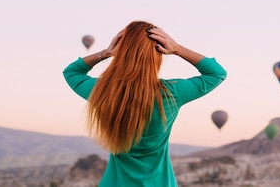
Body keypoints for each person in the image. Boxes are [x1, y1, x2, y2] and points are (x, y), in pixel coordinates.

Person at [63, 21, 227, 186]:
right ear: (158, 54)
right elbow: (217, 73)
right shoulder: (171, 93)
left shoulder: (103, 92)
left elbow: (71, 72)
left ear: (121, 51)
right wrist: (177, 49)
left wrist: (106, 53)